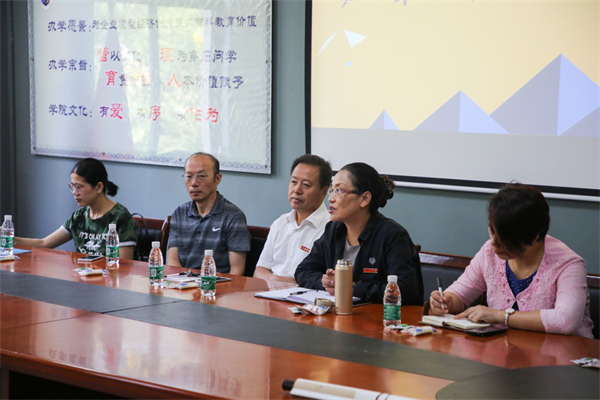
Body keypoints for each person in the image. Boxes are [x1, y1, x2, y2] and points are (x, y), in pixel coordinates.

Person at [429, 183, 594, 338]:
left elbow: (565, 321)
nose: (494, 242)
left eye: (505, 238)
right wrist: (447, 302)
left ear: (534, 235)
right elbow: (460, 294)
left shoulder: (569, 264)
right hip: (504, 351)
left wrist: (500, 316)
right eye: (492, 230)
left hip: (566, 355)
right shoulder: (489, 252)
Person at [294, 162, 423, 304]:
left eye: (339, 190)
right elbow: (303, 271)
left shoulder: (393, 235)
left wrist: (351, 287)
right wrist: (326, 282)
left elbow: (405, 290)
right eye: (332, 190)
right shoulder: (333, 230)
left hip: (381, 316)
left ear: (364, 199)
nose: (330, 198)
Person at [15, 158, 138, 259]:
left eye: (79, 187)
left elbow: (124, 265)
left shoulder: (120, 217)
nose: (74, 192)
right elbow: (44, 243)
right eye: (73, 187)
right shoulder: (79, 216)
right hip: (83, 278)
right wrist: (10, 239)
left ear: (99, 187)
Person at [167, 152, 250, 275]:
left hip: (217, 284)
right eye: (189, 176)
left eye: (201, 176)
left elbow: (236, 272)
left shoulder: (233, 217)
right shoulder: (179, 213)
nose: (194, 183)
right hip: (183, 283)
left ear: (217, 179)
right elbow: (172, 261)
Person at [254, 154, 332, 283]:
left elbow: (327, 281)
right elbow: (259, 271)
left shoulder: (331, 228)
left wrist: (287, 284)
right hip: (271, 291)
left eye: (306, 185)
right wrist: (277, 281)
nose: (297, 190)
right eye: (294, 182)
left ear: (323, 192)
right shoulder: (280, 223)